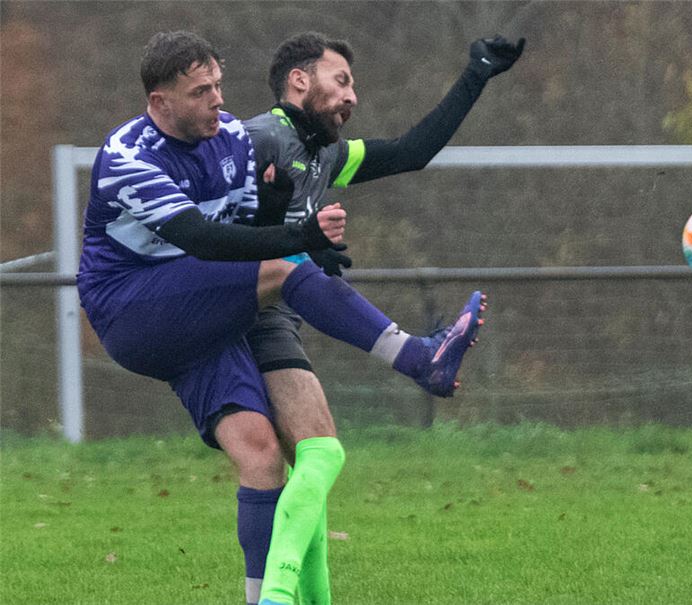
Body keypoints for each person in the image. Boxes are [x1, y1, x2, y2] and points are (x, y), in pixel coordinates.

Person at [76, 31, 485, 605]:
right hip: (131, 308)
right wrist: (300, 238)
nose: (219, 99)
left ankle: (262, 599)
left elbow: (247, 229)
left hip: (198, 310)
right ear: (159, 103)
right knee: (285, 272)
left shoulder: (235, 142)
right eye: (201, 91)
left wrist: (281, 218)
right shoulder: (128, 155)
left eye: (219, 84)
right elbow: (203, 239)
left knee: (261, 455)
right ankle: (419, 358)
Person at [238, 32, 524, 604]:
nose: (352, 96)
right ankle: (420, 357)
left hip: (274, 316)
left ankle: (279, 597)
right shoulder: (256, 137)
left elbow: (411, 152)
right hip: (229, 306)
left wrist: (475, 77)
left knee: (314, 456)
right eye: (340, 80)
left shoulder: (324, 154)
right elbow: (213, 221)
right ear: (300, 80)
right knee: (288, 457)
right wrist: (287, 236)